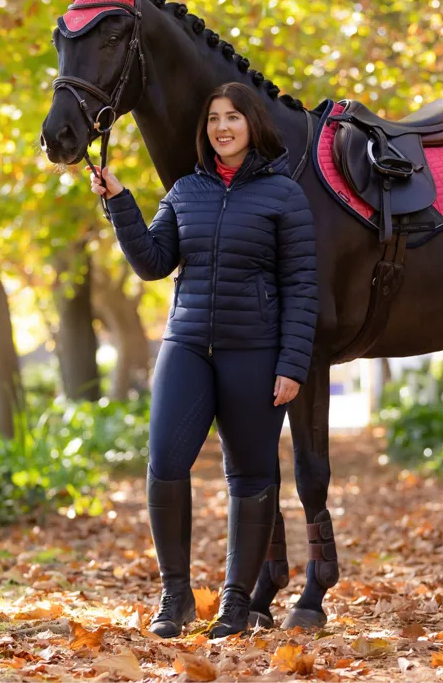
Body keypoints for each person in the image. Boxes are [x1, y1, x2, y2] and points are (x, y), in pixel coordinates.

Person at [89, 82, 319, 639]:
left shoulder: (283, 195)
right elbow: (153, 262)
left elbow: (301, 285)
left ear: (252, 125)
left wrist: (292, 364)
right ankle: (176, 597)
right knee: (165, 463)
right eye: (214, 118)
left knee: (251, 474)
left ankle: (236, 602)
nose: (222, 127)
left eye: (233, 117)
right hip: (187, 345)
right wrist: (119, 200)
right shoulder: (184, 191)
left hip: (255, 351)